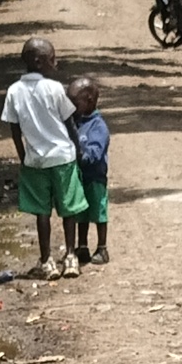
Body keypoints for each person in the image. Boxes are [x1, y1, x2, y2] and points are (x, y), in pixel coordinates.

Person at [0, 36, 88, 268]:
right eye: (52, 60)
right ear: (39, 62)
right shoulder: (54, 88)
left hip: (35, 160)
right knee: (69, 208)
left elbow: (14, 130)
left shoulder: (13, 91)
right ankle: (70, 256)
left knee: (42, 212)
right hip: (63, 158)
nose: (55, 64)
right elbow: (70, 124)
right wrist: (78, 151)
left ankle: (46, 259)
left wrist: (23, 158)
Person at [70, 76, 111, 264]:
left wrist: (82, 155)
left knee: (98, 211)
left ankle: (102, 248)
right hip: (80, 177)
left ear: (89, 101)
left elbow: (96, 151)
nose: (71, 106)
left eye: (74, 102)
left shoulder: (98, 126)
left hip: (95, 176)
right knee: (82, 213)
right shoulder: (75, 122)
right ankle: (83, 246)